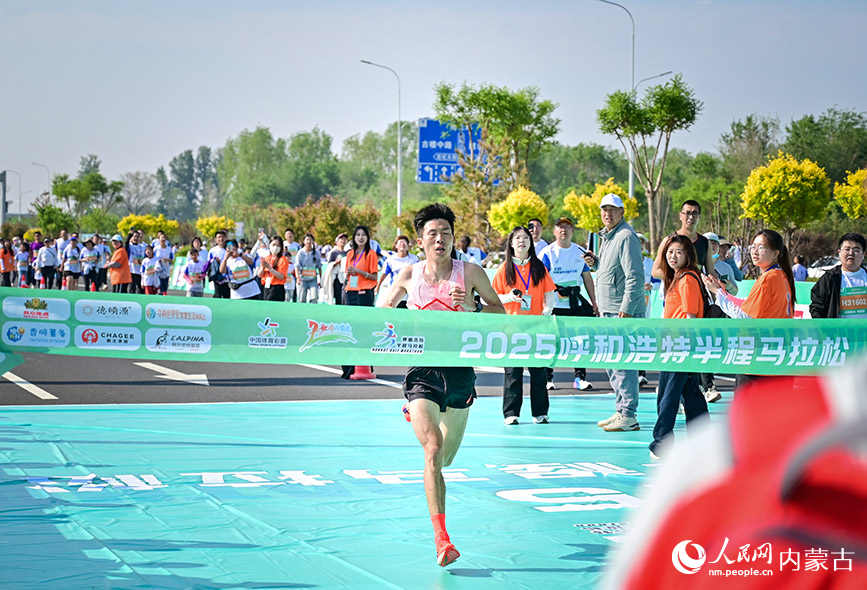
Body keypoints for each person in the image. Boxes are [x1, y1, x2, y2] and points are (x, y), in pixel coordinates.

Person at [380, 203, 505, 567]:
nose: (439, 239)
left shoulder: (471, 273)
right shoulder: (409, 274)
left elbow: (499, 310)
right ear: (420, 240)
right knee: (433, 450)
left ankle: (419, 414)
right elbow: (382, 314)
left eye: (445, 233)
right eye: (432, 233)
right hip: (423, 371)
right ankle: (442, 539)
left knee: (446, 458)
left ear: (453, 238)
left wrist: (472, 308)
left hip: (461, 372)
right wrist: (400, 318)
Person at [583, 194, 646, 432]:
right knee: (613, 363)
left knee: (623, 364)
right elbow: (613, 271)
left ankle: (628, 414)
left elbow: (635, 277)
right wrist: (596, 263)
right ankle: (621, 409)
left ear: (622, 212)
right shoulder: (609, 237)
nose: (607, 214)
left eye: (612, 209)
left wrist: (626, 309)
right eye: (604, 209)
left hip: (620, 313)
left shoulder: (626, 236)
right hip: (609, 310)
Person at [703, 229, 795, 392]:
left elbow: (745, 317)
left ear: (775, 253)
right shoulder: (779, 276)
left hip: (759, 356)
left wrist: (717, 293)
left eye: (761, 247)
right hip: (774, 354)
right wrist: (722, 292)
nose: (755, 251)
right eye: (753, 246)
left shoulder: (768, 279)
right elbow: (747, 305)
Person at [650, 235, 710, 459]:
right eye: (669, 252)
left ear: (688, 255)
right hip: (677, 344)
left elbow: (690, 316)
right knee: (691, 394)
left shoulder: (686, 279)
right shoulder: (677, 277)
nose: (672, 256)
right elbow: (656, 270)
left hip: (679, 345)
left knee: (668, 394)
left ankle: (662, 443)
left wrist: (685, 346)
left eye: (678, 252)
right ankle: (703, 441)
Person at [493, 225, 558, 425]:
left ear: (531, 242)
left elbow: (550, 292)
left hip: (536, 327)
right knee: (513, 373)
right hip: (511, 328)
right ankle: (511, 413)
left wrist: (547, 311)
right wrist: (508, 297)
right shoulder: (504, 269)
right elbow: (493, 297)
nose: (522, 241)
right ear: (511, 244)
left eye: (526, 238)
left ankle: (540, 412)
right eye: (517, 238)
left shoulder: (539, 267)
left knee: (539, 372)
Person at [539, 217, 599, 391]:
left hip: (575, 302)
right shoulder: (547, 253)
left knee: (579, 340)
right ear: (555, 231)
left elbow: (587, 278)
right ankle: (547, 378)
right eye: (560, 227)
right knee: (552, 341)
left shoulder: (580, 252)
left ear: (572, 231)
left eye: (567, 227)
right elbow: (540, 279)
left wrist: (594, 302)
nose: (563, 230)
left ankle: (580, 377)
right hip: (554, 303)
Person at [340, 226, 380, 378]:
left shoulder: (371, 254)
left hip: (365, 293)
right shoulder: (350, 253)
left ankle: (364, 365)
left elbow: (374, 277)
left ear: (368, 238)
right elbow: (348, 274)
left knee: (363, 329)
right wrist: (349, 273)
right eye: (357, 235)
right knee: (349, 329)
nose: (360, 237)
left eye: (363, 235)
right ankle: (349, 368)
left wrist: (359, 271)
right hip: (351, 292)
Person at [653, 200, 717, 283]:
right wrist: (679, 276)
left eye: (695, 213)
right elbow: (655, 271)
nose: (691, 217)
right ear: (680, 215)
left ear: (699, 217)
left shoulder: (705, 242)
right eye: (687, 213)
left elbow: (710, 272)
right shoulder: (669, 241)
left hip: (697, 289)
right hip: (675, 289)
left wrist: (719, 286)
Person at [809, 232, 867, 319]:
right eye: (847, 249)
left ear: (863, 254)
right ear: (839, 252)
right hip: (838, 328)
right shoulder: (830, 278)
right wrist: (825, 326)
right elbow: (816, 307)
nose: (851, 253)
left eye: (856, 250)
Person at [376, 235, 419, 307]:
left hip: (409, 294)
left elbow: (419, 273)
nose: (402, 244)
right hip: (395, 293)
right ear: (396, 245)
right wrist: (378, 286)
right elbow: (384, 274)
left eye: (404, 242)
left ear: (408, 246)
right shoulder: (391, 260)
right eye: (400, 242)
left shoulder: (414, 259)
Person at [257, 236, 290, 302]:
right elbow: (259, 275)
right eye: (273, 245)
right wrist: (263, 267)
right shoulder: (267, 258)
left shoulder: (282, 260)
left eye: (278, 245)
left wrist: (270, 268)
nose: (275, 247)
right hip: (267, 286)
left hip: (277, 288)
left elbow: (281, 277)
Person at [295, 234, 322, 304]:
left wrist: (321, 279)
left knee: (314, 297)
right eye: (307, 240)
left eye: (310, 240)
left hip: (313, 279)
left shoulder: (316, 253)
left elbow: (319, 266)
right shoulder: (300, 253)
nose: (309, 241)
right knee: (302, 298)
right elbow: (297, 266)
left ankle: (312, 309)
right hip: (303, 279)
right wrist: (298, 277)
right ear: (304, 241)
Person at [326, 233, 348, 305]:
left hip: (345, 277)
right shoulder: (333, 253)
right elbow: (329, 265)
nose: (343, 241)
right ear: (337, 241)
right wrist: (336, 263)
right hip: (336, 278)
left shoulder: (347, 253)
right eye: (341, 239)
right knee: (338, 297)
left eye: (345, 239)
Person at [208, 230, 231, 299]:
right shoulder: (212, 250)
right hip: (217, 277)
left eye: (222, 237)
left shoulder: (229, 249)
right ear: (216, 239)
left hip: (228, 278)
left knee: (227, 297)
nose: (221, 239)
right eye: (219, 237)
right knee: (218, 296)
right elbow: (208, 263)